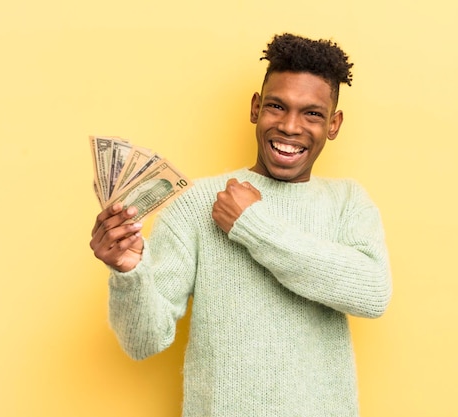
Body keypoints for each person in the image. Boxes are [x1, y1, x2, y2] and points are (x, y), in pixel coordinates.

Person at [90, 33, 392, 417]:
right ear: (255, 108)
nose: (290, 126)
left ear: (334, 124)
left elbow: (372, 293)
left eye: (312, 113)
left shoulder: (348, 201)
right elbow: (143, 341)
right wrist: (129, 273)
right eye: (277, 107)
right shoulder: (195, 203)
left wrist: (252, 225)